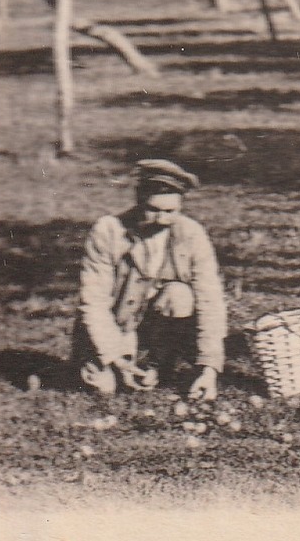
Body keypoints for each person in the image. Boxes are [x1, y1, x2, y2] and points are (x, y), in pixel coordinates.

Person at [72, 159, 226, 399]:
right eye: (153, 210)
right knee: (105, 389)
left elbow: (211, 301)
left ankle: (157, 362)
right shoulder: (109, 230)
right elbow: (93, 302)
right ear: (138, 201)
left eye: (170, 212)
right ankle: (110, 363)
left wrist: (209, 368)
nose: (161, 220)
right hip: (114, 327)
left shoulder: (192, 234)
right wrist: (115, 357)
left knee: (180, 295)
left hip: (157, 332)